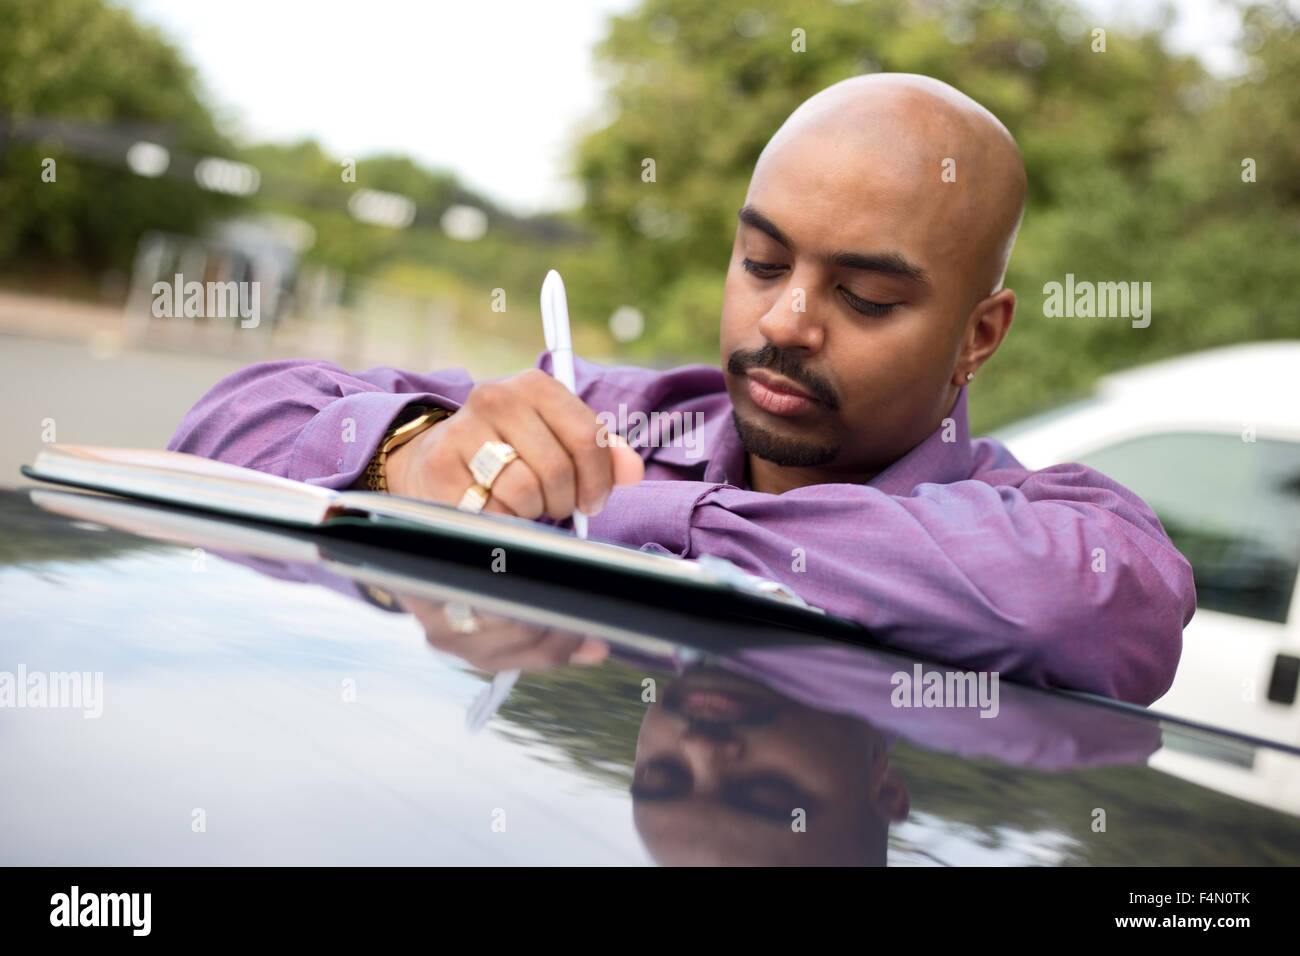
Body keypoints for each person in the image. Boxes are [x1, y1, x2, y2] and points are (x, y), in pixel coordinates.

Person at [168, 73, 1196, 706]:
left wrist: (634, 516)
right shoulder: (618, 410)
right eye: (760, 261)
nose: (785, 320)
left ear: (979, 335)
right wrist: (419, 456)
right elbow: (223, 422)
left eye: (867, 294)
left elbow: (1102, 610)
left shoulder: (1047, 528)